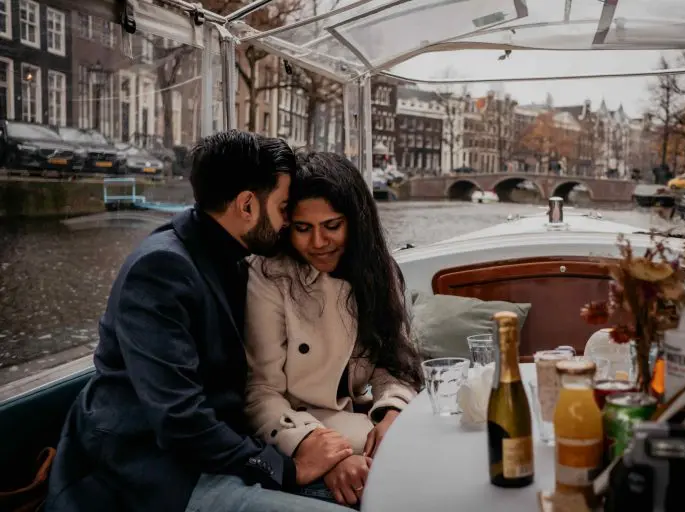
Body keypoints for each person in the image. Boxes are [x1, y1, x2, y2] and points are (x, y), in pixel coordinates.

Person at [45, 131, 352, 512]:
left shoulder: (232, 255)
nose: (289, 222)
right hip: (157, 472)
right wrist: (284, 470)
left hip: (223, 449)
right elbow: (178, 419)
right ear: (246, 206)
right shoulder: (161, 269)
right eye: (284, 207)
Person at [243, 151, 424, 508]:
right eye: (302, 228)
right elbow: (260, 391)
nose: (318, 243)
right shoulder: (268, 277)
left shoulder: (376, 271)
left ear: (355, 223)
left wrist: (392, 413)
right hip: (299, 428)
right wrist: (324, 454)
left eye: (332, 225)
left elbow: (394, 362)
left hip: (361, 421)